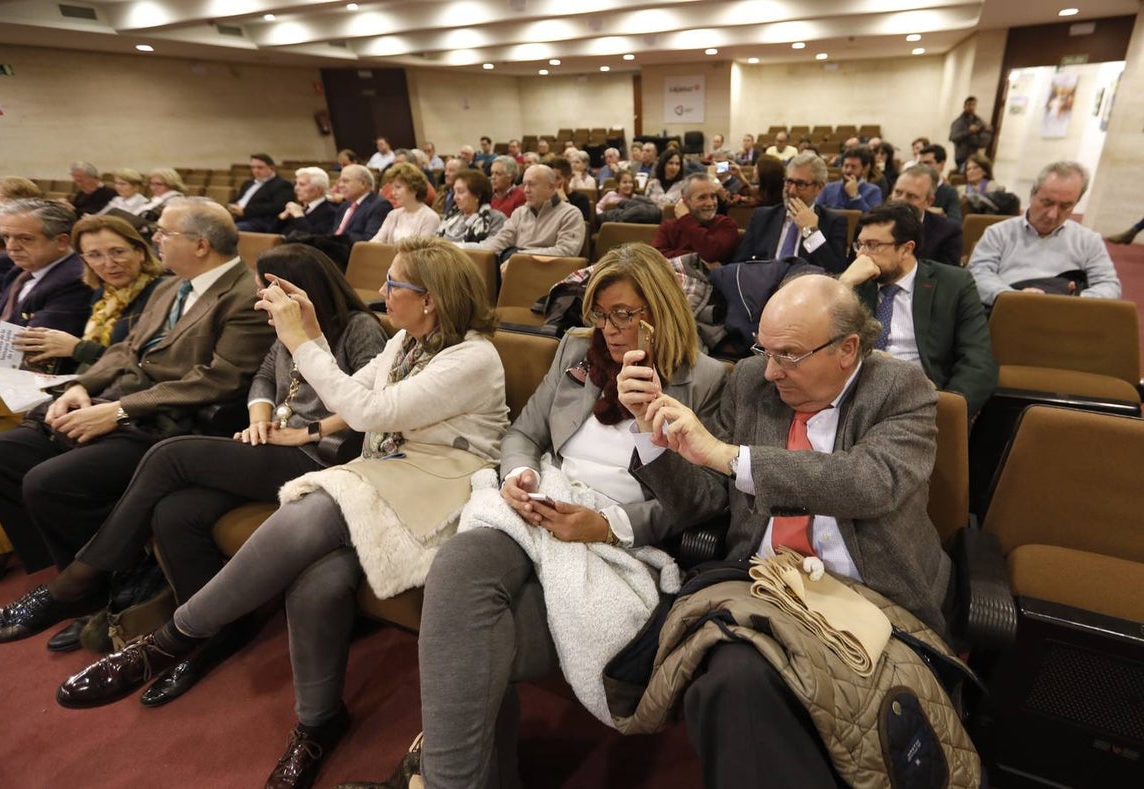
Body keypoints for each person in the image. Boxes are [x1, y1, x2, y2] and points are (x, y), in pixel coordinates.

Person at [55, 238, 509, 789]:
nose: (382, 293)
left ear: (431, 300)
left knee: (317, 504)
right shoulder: (406, 343)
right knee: (315, 581)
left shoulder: (473, 356)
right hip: (392, 475)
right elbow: (351, 392)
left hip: (443, 487)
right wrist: (311, 334)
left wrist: (302, 340)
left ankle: (174, 638)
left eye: (394, 285)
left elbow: (369, 412)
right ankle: (319, 722)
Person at [397, 243, 727, 789]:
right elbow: (524, 435)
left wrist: (610, 525)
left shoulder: (708, 380)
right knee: (459, 566)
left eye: (625, 313)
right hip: (544, 500)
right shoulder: (577, 350)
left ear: (661, 311)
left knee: (475, 636)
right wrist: (518, 477)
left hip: (616, 533)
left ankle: (446, 778)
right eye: (601, 312)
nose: (611, 328)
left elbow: (704, 503)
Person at [620, 273, 954, 787]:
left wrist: (731, 457)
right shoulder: (751, 380)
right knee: (735, 676)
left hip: (873, 598)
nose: (771, 370)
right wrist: (652, 432)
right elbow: (704, 502)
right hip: (767, 587)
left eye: (789, 355)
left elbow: (872, 483)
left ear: (847, 349)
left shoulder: (900, 389)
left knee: (743, 686)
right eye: (765, 350)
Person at [0, 243, 384, 661]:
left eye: (264, 293)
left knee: (170, 455)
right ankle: (213, 630)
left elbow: (372, 402)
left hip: (321, 454)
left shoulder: (358, 326)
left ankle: (80, 579)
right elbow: (262, 379)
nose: (259, 302)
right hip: (277, 440)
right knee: (177, 510)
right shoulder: (284, 328)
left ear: (294, 291)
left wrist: (307, 431)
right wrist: (259, 415)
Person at [0, 197, 274, 583]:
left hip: (167, 426)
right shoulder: (170, 286)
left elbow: (219, 379)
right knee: (2, 455)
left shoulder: (246, 296)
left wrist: (119, 409)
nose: (156, 239)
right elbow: (126, 349)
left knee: (48, 482)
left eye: (164, 232)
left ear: (200, 245)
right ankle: (59, 568)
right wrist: (80, 385)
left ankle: (102, 582)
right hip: (118, 403)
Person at [840, 202, 996, 415]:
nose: (862, 256)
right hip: (856, 399)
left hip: (921, 401)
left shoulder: (953, 284)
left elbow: (978, 362)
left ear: (906, 249)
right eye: (860, 245)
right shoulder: (855, 283)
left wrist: (948, 408)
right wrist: (844, 283)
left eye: (873, 245)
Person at [12, 214, 165, 375]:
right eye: (95, 255)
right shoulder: (101, 294)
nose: (109, 263)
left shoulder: (162, 294)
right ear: (85, 261)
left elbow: (148, 365)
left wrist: (78, 348)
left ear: (140, 253)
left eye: (118, 252)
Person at [968, 161, 1121, 306]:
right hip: (1007, 308)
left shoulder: (1088, 241)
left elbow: (1109, 285)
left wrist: (1073, 301)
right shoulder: (998, 233)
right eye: (1047, 203)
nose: (1052, 215)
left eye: (1065, 206)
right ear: (1032, 195)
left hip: (1065, 316)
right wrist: (1009, 295)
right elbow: (977, 274)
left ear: (1077, 203)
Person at [0, 199, 93, 336]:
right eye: (6, 237)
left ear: (61, 241)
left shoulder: (76, 281)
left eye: (25, 239)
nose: (11, 247)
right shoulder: (18, 271)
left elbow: (31, 345)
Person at [736, 153, 848, 273]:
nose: (792, 191)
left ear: (819, 187)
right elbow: (739, 264)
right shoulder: (762, 217)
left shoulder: (833, 222)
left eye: (800, 184)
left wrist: (810, 232)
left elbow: (835, 272)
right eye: (789, 182)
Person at [481, 165, 586, 271]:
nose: (526, 190)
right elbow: (499, 243)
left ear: (551, 187)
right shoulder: (519, 213)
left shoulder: (570, 214)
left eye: (531, 184)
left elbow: (566, 252)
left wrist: (519, 258)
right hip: (515, 270)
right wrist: (468, 252)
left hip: (549, 273)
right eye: (524, 185)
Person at [652, 173, 739, 264]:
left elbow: (712, 253)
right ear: (685, 201)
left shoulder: (726, 224)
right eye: (702, 198)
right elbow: (655, 257)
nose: (710, 203)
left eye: (713, 196)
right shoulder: (669, 226)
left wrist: (686, 219)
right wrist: (699, 259)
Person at [890, 165, 964, 267]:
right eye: (898, 192)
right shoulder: (873, 223)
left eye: (911, 196)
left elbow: (946, 278)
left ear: (929, 201)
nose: (901, 200)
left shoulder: (948, 232)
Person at [373, 164, 442, 244]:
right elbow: (377, 240)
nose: (393, 193)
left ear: (414, 188)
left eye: (398, 187)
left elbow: (422, 251)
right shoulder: (393, 214)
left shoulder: (430, 218)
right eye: (392, 188)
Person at [436, 168, 506, 247]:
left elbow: (490, 247)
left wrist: (450, 248)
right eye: (455, 192)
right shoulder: (452, 216)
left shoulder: (495, 218)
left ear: (478, 195)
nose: (455, 197)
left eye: (461, 192)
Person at [227, 154, 295, 233]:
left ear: (272, 168)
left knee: (229, 231)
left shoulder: (282, 184)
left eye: (260, 167)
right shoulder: (248, 183)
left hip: (261, 221)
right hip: (239, 217)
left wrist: (245, 211)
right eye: (253, 167)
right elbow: (238, 199)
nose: (256, 170)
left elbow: (277, 207)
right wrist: (231, 206)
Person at [331, 165, 392, 244]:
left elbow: (370, 238)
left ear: (363, 184)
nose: (340, 185)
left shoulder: (380, 205)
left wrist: (336, 240)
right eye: (340, 181)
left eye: (345, 181)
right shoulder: (344, 205)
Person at [817, 146, 883, 212]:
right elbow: (817, 212)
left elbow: (872, 218)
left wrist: (855, 197)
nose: (848, 170)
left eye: (853, 167)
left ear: (864, 169)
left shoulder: (873, 191)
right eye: (846, 166)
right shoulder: (828, 188)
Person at [277, 166, 335, 236]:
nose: (296, 188)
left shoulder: (330, 212)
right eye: (296, 184)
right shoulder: (300, 208)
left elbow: (313, 238)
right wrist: (282, 217)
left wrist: (299, 216)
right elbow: (271, 234)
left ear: (318, 189)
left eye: (302, 184)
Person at [917, 144, 962, 221]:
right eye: (920, 164)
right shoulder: (912, 187)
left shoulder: (950, 192)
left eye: (927, 163)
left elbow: (955, 223)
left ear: (941, 164)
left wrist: (942, 216)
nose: (922, 167)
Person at [950, 96, 992, 172]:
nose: (972, 107)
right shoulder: (959, 122)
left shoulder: (978, 120)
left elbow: (987, 131)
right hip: (963, 157)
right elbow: (953, 137)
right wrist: (969, 132)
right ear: (965, 106)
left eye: (974, 105)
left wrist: (986, 130)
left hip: (975, 156)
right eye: (969, 105)